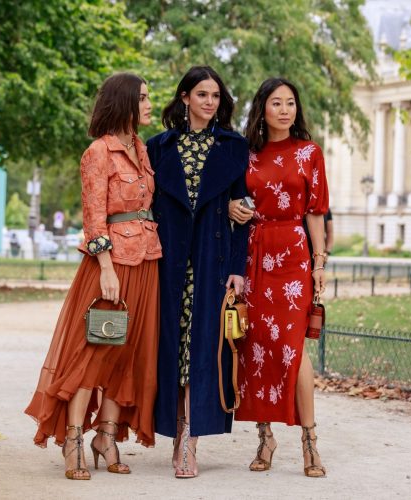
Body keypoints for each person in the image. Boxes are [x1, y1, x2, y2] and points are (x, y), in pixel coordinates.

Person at [24, 73, 161, 480]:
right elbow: (93, 218)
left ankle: (106, 436)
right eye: (144, 98)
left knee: (127, 353)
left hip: (149, 258)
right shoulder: (97, 152)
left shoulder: (141, 149)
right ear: (124, 103)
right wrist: (105, 268)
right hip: (112, 265)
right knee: (94, 350)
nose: (150, 104)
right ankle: (72, 438)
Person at [146, 65, 249, 478]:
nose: (210, 102)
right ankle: (173, 433)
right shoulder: (158, 146)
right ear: (185, 97)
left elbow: (244, 211)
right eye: (202, 94)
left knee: (203, 351)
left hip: (213, 260)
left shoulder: (232, 147)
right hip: (167, 260)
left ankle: (190, 442)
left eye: (216, 96)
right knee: (171, 348)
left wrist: (239, 268)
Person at [228, 78, 329, 478]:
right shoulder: (245, 154)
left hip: (293, 255)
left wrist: (319, 264)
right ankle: (265, 436)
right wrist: (235, 207)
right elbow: (232, 199)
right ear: (263, 109)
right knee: (256, 348)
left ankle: (310, 440)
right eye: (276, 103)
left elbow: (316, 212)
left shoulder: (309, 153)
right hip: (255, 251)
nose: (284, 109)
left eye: (290, 103)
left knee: (294, 348)